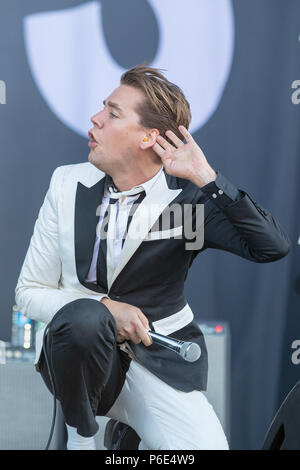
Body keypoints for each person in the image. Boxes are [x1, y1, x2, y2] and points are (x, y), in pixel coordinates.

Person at [15, 64, 290, 450]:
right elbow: (29, 292)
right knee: (87, 316)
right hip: (81, 363)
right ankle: (82, 436)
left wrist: (208, 178)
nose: (95, 119)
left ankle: (126, 439)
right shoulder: (67, 183)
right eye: (102, 109)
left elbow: (272, 247)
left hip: (159, 357)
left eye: (112, 113)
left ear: (149, 137)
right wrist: (108, 308)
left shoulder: (190, 201)